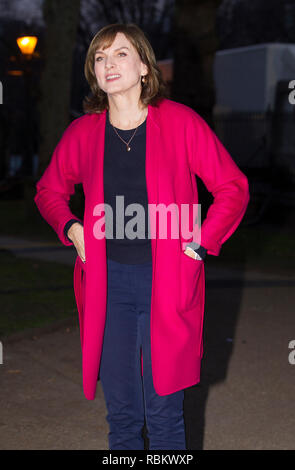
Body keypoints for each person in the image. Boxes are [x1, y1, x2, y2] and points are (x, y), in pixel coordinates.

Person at [34, 23, 249, 450]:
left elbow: (233, 187)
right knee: (123, 414)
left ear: (144, 67)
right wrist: (72, 228)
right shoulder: (83, 133)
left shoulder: (181, 123)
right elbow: (49, 191)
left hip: (167, 282)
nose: (108, 64)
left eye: (120, 54)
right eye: (99, 57)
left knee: (165, 412)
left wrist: (200, 243)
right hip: (106, 285)